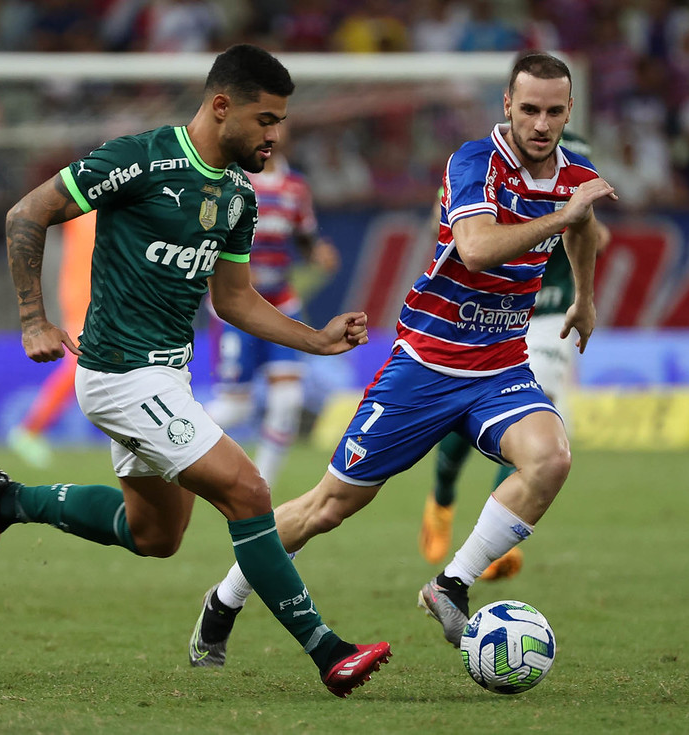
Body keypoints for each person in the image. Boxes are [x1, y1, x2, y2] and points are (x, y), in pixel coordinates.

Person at [0, 43, 391, 697]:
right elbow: (27, 212)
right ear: (222, 107)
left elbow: (235, 299)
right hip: (119, 375)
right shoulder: (138, 160)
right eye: (266, 119)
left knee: (155, 534)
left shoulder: (238, 199)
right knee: (249, 492)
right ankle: (328, 650)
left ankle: (11, 498)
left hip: (169, 377)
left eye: (280, 122)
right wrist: (33, 317)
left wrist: (316, 339)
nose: (276, 135)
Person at [187, 52, 617, 659]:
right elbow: (473, 249)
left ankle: (450, 585)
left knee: (550, 459)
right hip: (426, 365)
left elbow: (581, 225)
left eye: (553, 111)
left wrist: (587, 298)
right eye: (528, 110)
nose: (541, 124)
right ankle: (224, 598)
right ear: (507, 106)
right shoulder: (476, 162)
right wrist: (559, 218)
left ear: (568, 110)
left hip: (499, 366)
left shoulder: (576, 174)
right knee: (328, 507)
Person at [419, 131, 612, 580]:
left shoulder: (580, 159)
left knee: (537, 405)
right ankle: (442, 496)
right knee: (464, 407)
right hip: (498, 306)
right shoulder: (490, 169)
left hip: (551, 309)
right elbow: (448, 229)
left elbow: (592, 234)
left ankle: (491, 541)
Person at [205, 144, 340, 487]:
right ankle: (166, 444)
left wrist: (318, 253)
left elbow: (305, 238)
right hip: (236, 306)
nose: (273, 132)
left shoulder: (296, 185)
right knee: (236, 407)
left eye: (279, 122)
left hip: (280, 302)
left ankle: (261, 483)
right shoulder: (229, 179)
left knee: (288, 399)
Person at [7, 212, 95, 467]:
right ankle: (29, 430)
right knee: (78, 365)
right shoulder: (88, 203)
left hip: (94, 296)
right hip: (83, 297)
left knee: (87, 366)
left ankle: (29, 431)